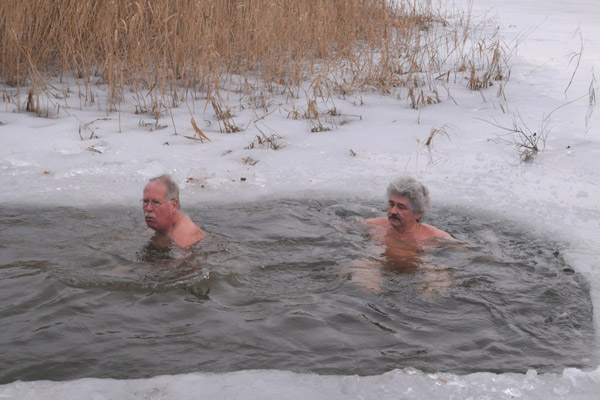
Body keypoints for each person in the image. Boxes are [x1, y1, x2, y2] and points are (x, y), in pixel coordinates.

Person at [366, 176, 451, 243]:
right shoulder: (375, 226)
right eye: (391, 204)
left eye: (401, 207)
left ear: (418, 213)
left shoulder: (434, 238)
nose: (393, 211)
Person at [142, 174, 205, 248]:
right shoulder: (163, 223)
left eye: (156, 202)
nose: (148, 208)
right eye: (145, 201)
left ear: (173, 205)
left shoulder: (184, 237)